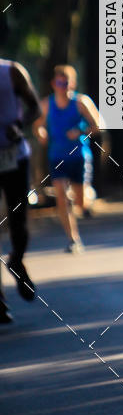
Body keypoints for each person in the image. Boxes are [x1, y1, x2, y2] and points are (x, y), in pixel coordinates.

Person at [33, 65, 101, 253]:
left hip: (79, 155)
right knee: (61, 197)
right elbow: (37, 125)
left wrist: (80, 131)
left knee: (79, 203)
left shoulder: (81, 102)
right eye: (58, 82)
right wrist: (41, 133)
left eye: (65, 82)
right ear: (53, 84)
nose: (61, 86)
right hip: (57, 157)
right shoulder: (47, 104)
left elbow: (98, 126)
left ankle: (87, 196)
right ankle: (73, 239)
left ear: (72, 83)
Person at [0, 59, 41, 323]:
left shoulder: (12, 71)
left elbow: (35, 108)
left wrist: (20, 124)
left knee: (18, 222)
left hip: (15, 156)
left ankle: (16, 259)